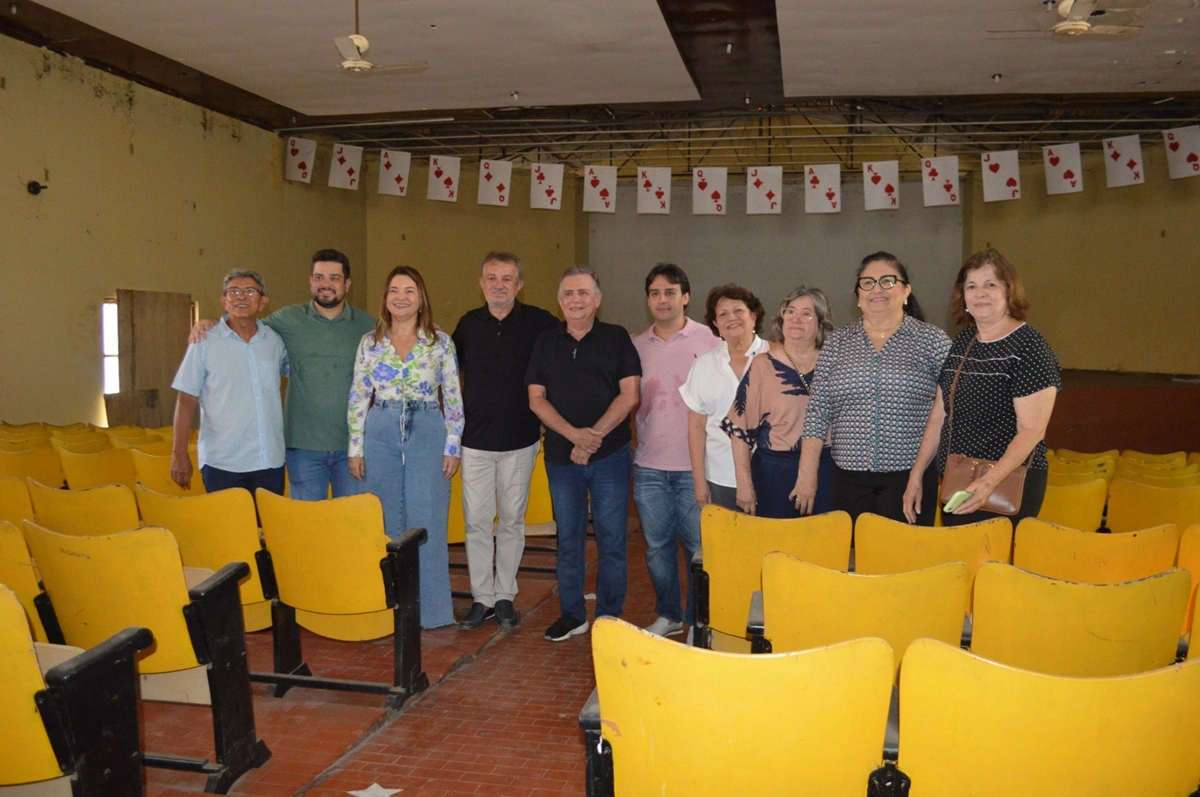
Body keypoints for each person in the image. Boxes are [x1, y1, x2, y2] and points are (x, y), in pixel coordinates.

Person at [189, 249, 375, 501]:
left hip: (353, 446)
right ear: (310, 281)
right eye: (319, 277)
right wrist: (211, 321)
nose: (325, 284)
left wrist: (426, 329)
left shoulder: (368, 325)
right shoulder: (287, 319)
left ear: (347, 284)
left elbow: (400, 338)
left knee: (352, 521)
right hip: (302, 447)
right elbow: (244, 323)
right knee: (305, 526)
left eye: (334, 278)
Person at [903, 250, 1060, 525]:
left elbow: (1032, 429)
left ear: (1009, 291)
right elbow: (939, 417)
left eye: (990, 285)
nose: (980, 294)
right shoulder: (963, 342)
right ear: (962, 296)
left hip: (1006, 482)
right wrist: (916, 475)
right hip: (957, 479)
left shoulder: (1030, 347)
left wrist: (988, 483)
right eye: (971, 286)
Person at [526, 267, 640, 643]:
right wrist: (575, 436)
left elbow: (630, 394)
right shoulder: (544, 341)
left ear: (597, 299)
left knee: (612, 541)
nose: (576, 300)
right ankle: (572, 614)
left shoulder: (617, 338)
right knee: (569, 540)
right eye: (568, 294)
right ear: (559, 302)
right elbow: (536, 399)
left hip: (610, 457)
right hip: (561, 459)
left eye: (583, 293)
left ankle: (609, 617)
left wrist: (594, 437)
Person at [795, 252, 951, 524]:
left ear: (906, 291)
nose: (876, 289)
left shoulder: (933, 341)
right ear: (858, 295)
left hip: (911, 477)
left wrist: (921, 473)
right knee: (854, 560)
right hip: (847, 478)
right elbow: (818, 411)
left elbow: (948, 409)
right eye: (867, 283)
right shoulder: (838, 343)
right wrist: (806, 475)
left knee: (907, 560)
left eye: (887, 281)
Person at [348, 266, 463, 630]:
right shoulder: (370, 343)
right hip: (379, 427)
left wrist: (452, 445)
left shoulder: (440, 343)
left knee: (427, 517)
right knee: (381, 517)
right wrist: (355, 447)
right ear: (385, 298)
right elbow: (358, 395)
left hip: (427, 426)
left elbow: (455, 398)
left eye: (409, 290)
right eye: (394, 289)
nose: (401, 296)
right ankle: (387, 610)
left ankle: (429, 613)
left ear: (421, 297)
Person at [451, 252, 558, 631]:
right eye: (492, 278)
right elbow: (448, 378)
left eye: (507, 279)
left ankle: (504, 595)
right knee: (477, 523)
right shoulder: (467, 325)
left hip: (521, 440)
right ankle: (481, 597)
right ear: (481, 284)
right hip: (475, 442)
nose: (499, 284)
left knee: (512, 521)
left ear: (519, 285)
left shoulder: (540, 323)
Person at [631, 264, 720, 637]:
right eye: (655, 293)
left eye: (670, 292)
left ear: (685, 296)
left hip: (695, 468)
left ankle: (700, 620)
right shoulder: (635, 346)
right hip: (649, 466)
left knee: (700, 549)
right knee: (657, 549)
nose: (662, 299)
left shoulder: (711, 342)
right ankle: (669, 615)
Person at [170, 270, 288, 497]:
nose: (241, 297)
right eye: (233, 291)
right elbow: (186, 399)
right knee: (229, 531)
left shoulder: (274, 341)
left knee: (269, 531)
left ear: (263, 302)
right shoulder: (204, 341)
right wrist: (179, 454)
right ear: (224, 301)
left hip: (269, 461)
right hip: (222, 463)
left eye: (250, 291)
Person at [724, 287, 836, 518]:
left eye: (806, 313)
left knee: (823, 546)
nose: (796, 319)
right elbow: (739, 432)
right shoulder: (762, 365)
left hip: (826, 471)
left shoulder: (836, 365)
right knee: (775, 547)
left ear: (821, 322)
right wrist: (744, 485)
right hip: (773, 474)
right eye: (790, 311)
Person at [680, 285, 770, 512]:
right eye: (723, 314)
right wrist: (700, 484)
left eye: (738, 310)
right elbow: (696, 428)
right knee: (724, 546)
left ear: (754, 315)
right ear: (715, 325)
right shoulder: (704, 364)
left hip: (771, 476)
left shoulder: (776, 358)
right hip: (719, 479)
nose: (732, 318)